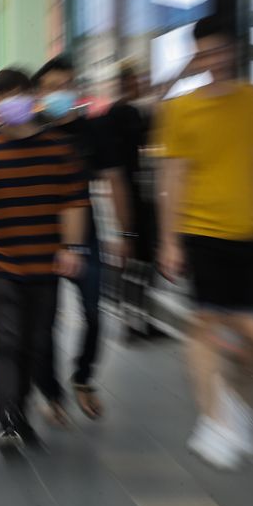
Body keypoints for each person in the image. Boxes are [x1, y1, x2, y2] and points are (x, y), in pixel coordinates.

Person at [156, 15, 253, 470]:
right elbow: (172, 177)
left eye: (221, 51)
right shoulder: (181, 109)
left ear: (234, 51)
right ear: (197, 56)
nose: (215, 60)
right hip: (202, 231)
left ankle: (237, 403)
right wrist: (169, 241)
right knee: (206, 324)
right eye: (206, 53)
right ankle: (213, 417)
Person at [0, 69, 88, 451]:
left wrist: (72, 248)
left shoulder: (60, 148)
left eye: (20, 94)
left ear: (33, 99)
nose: (12, 102)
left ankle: (21, 410)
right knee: (7, 341)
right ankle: (8, 417)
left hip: (46, 266)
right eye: (4, 95)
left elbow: (74, 202)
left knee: (37, 342)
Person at [32, 55, 132, 422]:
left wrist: (125, 233)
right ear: (38, 93)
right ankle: (51, 394)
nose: (58, 93)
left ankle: (83, 377)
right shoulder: (31, 130)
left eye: (65, 86)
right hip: (39, 240)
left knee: (94, 314)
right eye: (50, 88)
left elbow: (115, 180)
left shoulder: (95, 131)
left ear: (76, 89)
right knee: (44, 322)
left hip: (86, 238)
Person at [106, 61, 157, 338]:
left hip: (135, 192)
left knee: (140, 259)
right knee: (138, 258)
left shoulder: (122, 111)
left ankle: (136, 319)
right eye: (137, 80)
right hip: (131, 194)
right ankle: (134, 321)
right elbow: (146, 130)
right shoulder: (124, 112)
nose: (140, 84)